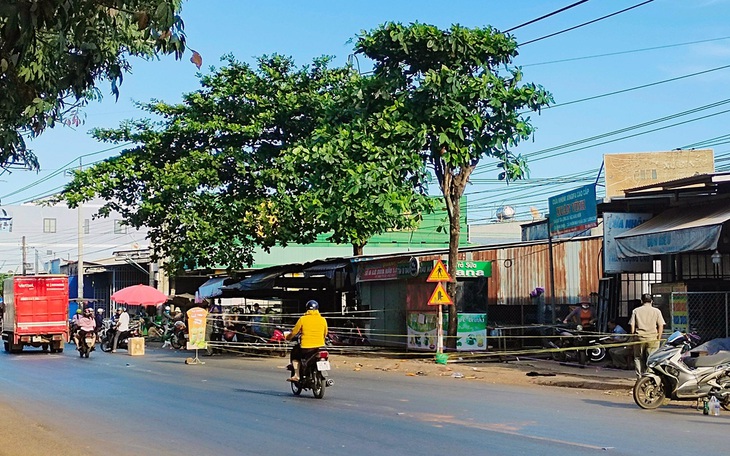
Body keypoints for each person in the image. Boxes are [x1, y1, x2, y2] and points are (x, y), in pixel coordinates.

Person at [285, 300, 328, 382]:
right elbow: (325, 333)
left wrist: (288, 337)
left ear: (307, 309)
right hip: (320, 346)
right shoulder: (323, 320)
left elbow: (294, 332)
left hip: (306, 348)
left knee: (295, 354)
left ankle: (297, 375)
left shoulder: (302, 319)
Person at [629, 293, 665, 378]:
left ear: (642, 301)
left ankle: (639, 378)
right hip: (653, 338)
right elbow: (661, 325)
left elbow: (632, 325)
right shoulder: (657, 311)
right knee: (651, 359)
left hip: (639, 337)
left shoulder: (636, 311)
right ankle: (650, 377)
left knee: (638, 358)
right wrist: (658, 338)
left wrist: (633, 335)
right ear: (652, 301)